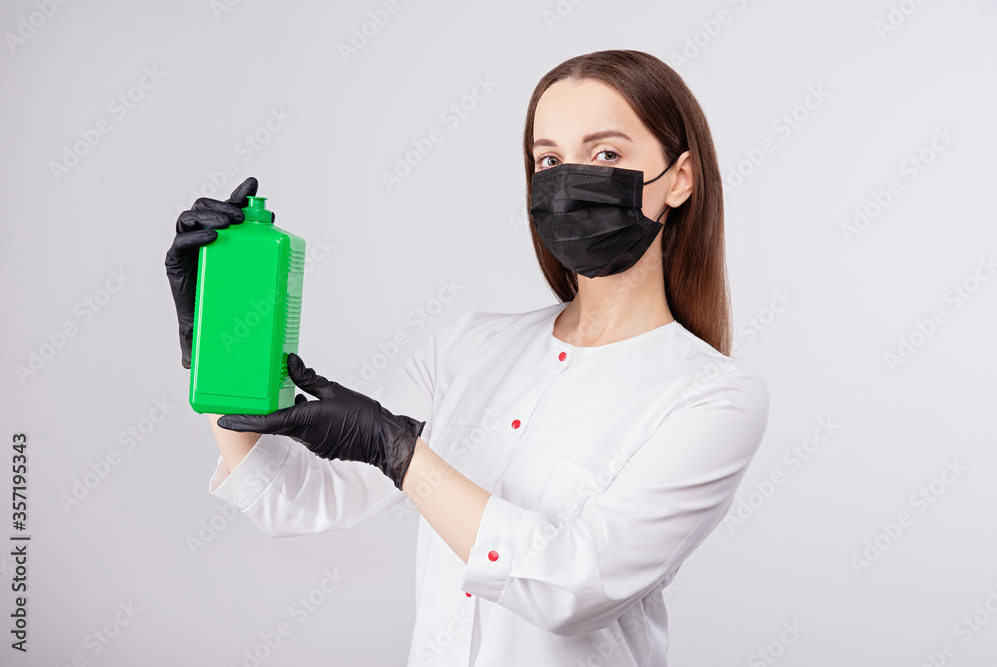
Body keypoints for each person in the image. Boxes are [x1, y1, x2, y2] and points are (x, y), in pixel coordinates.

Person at [165, 49, 770, 666]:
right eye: (550, 159)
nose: (569, 181)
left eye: (607, 153)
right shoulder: (468, 346)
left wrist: (396, 451)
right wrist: (217, 345)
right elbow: (298, 497)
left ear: (681, 177)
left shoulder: (712, 396)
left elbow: (575, 587)